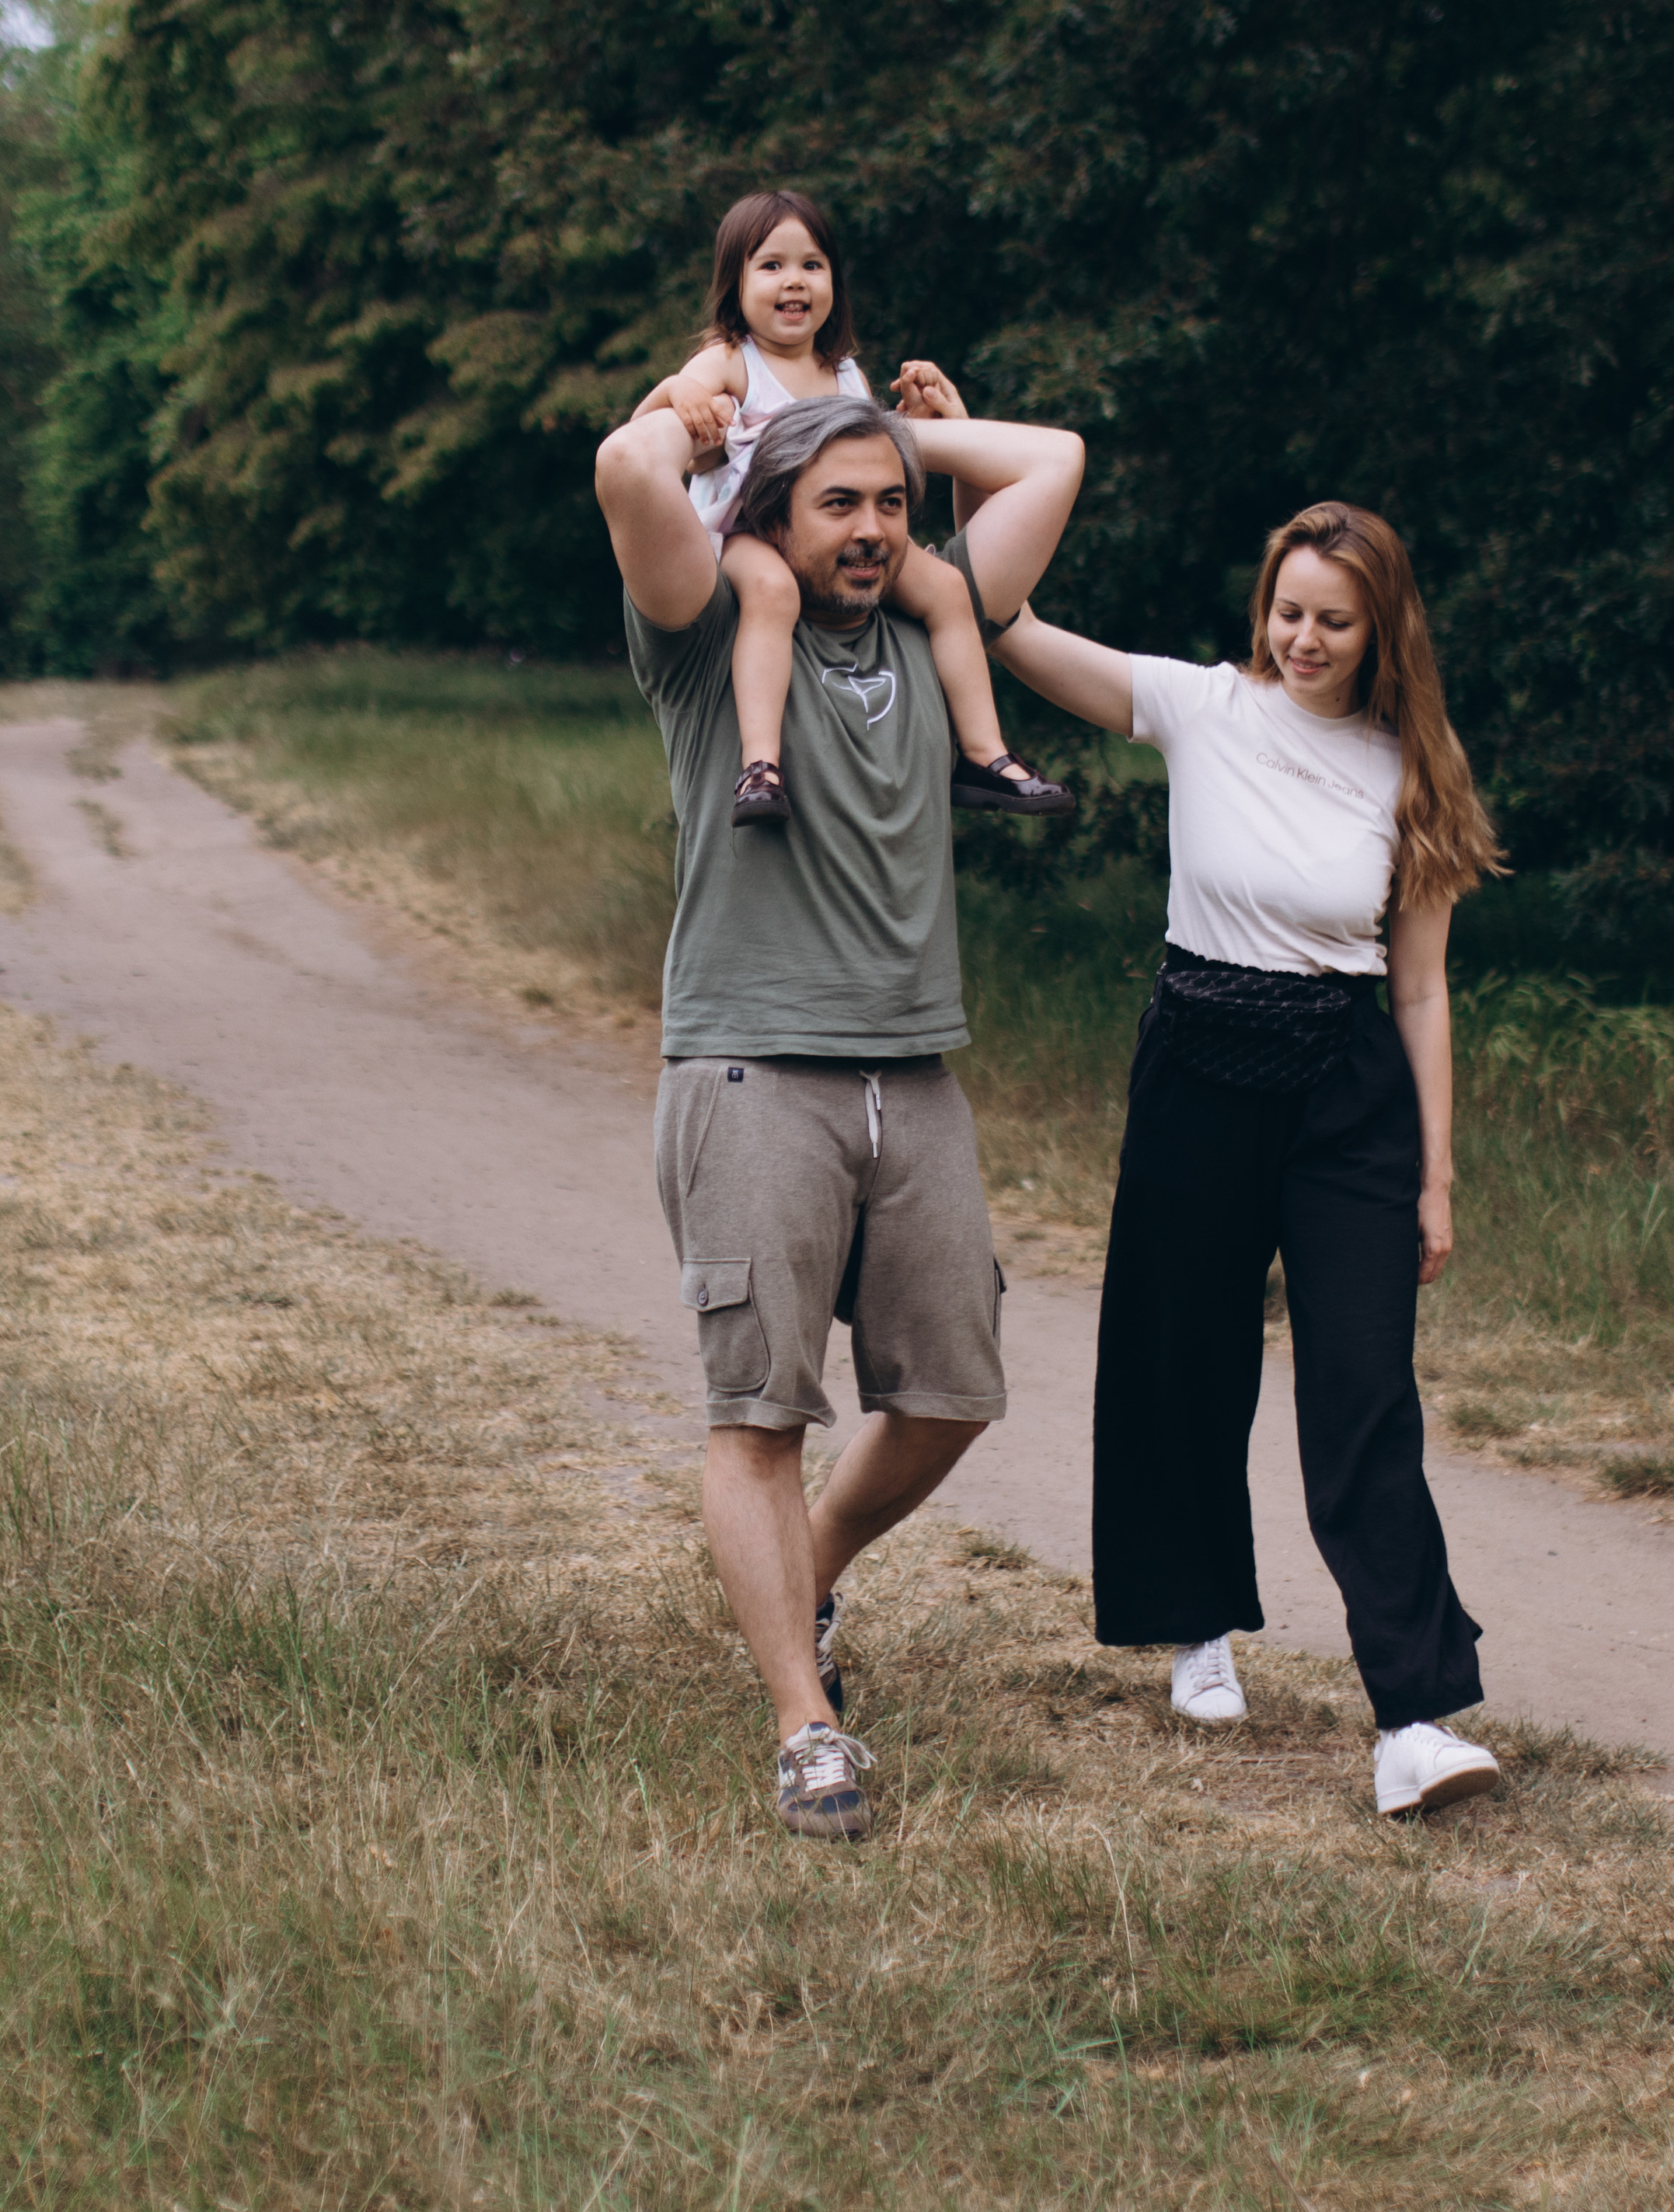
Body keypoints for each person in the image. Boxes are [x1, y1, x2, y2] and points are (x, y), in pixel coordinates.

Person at [593, 369, 1085, 1840]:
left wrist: (895, 433)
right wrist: (701, 411)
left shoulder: (936, 622)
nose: (870, 528)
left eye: (889, 504)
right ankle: (806, 1721)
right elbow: (628, 472)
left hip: (914, 1067)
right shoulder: (707, 632)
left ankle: (795, 1577)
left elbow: (1053, 459)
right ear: (769, 510)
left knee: (950, 1394)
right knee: (763, 1407)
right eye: (837, 503)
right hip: (749, 1063)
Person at [992, 500, 1508, 1817]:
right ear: (1263, 606)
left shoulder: (1413, 763)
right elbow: (1007, 625)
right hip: (1200, 1062)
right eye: (1289, 611)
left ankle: (1412, 1713)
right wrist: (953, 476)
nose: (1306, 638)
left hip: (1347, 1090)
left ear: (1380, 625)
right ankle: (1199, 1622)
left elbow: (1424, 991)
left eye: (1335, 619)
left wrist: (1435, 1172)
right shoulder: (1200, 705)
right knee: (1183, 1357)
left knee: (1363, 1386)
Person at [632, 190, 1071, 829]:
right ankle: (760, 764)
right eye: (772, 265)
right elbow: (636, 449)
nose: (795, 282)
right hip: (746, 530)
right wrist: (676, 391)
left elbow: (870, 463)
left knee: (947, 589)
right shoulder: (729, 360)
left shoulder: (844, 375)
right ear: (735, 284)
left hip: (834, 535)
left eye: (813, 265)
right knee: (774, 594)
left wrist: (914, 422)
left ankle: (983, 753)